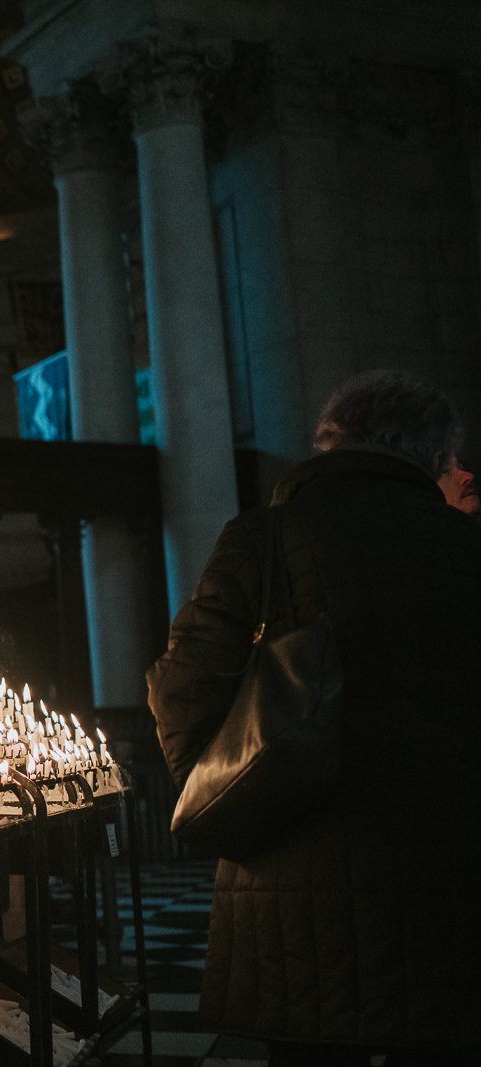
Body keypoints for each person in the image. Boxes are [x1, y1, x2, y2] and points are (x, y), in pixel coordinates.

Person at [148, 369, 481, 1066]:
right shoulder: (463, 544)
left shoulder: (265, 536)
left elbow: (183, 683)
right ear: (433, 456)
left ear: (332, 442)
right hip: (450, 874)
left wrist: (219, 783)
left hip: (289, 885)